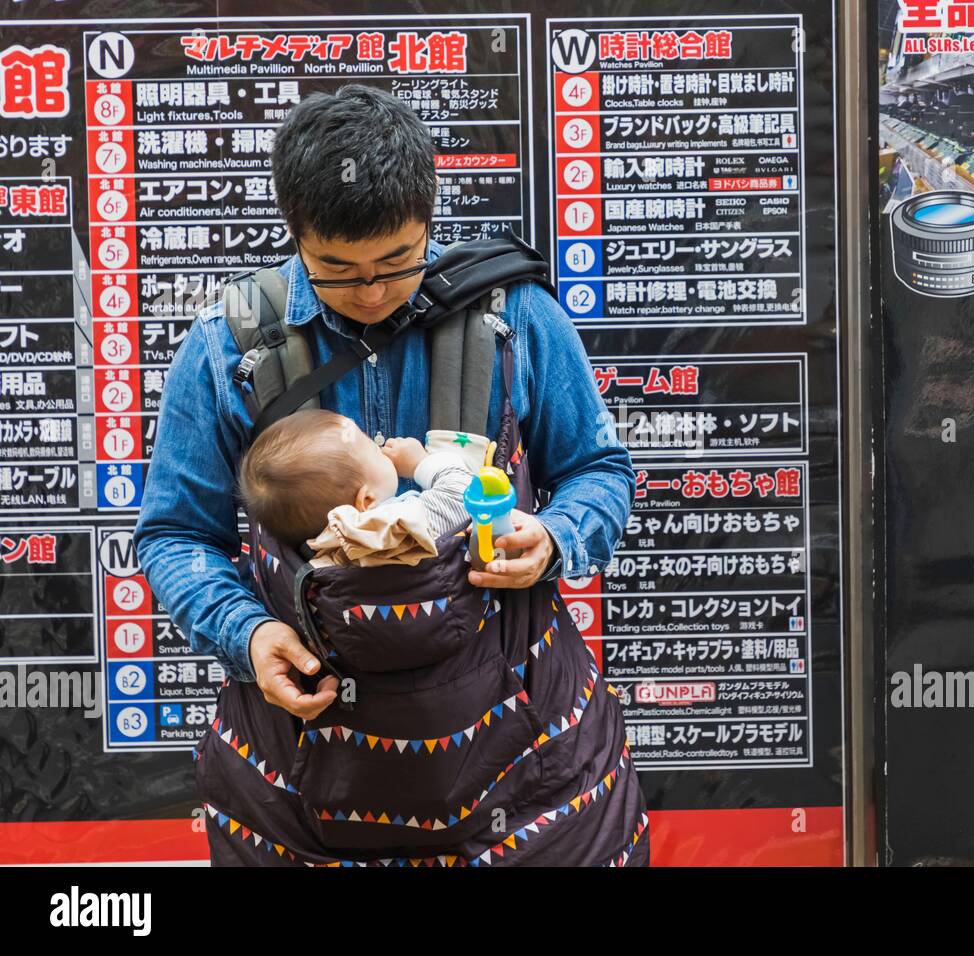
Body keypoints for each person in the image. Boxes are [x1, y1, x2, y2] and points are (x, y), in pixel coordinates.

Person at [133, 84, 649, 865]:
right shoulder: (227, 347)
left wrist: (553, 538)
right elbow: (175, 533)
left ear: (430, 219)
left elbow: (599, 471)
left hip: (526, 769)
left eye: (397, 262)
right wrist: (250, 634)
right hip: (303, 771)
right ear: (294, 233)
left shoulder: (514, 315)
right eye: (336, 269)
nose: (371, 293)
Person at [237, 407, 488, 564]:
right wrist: (421, 463)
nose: (382, 448)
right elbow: (463, 496)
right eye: (373, 448)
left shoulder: (326, 554)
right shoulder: (389, 529)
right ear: (366, 501)